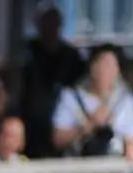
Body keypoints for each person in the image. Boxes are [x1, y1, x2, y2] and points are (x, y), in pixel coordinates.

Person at [51, 45, 133, 160]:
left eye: (113, 66)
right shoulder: (70, 97)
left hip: (114, 172)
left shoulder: (125, 100)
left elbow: (132, 138)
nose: (107, 71)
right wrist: (90, 125)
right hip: (79, 171)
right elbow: (57, 139)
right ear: (92, 67)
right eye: (103, 64)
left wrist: (130, 149)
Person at [19, 6, 86, 158]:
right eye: (45, 23)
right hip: (32, 120)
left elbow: (80, 88)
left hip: (63, 118)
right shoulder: (28, 51)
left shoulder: (72, 56)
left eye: (53, 23)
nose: (50, 28)